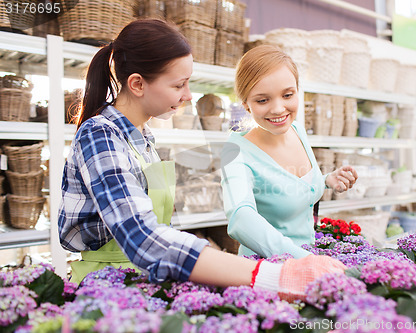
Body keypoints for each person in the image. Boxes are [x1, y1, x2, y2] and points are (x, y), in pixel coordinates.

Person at [58, 19, 346, 300]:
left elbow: (159, 229)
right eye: (179, 85)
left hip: (145, 283)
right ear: (137, 84)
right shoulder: (100, 137)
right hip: (107, 292)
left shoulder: (142, 138)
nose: (187, 96)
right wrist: (273, 275)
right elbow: (145, 239)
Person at [221, 45, 358, 259]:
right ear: (246, 103)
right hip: (268, 270)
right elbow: (241, 218)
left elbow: (292, 188)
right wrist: (305, 260)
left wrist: (325, 180)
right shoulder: (235, 152)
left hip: (309, 263)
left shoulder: (297, 131)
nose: (278, 108)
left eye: (287, 95)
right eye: (263, 100)